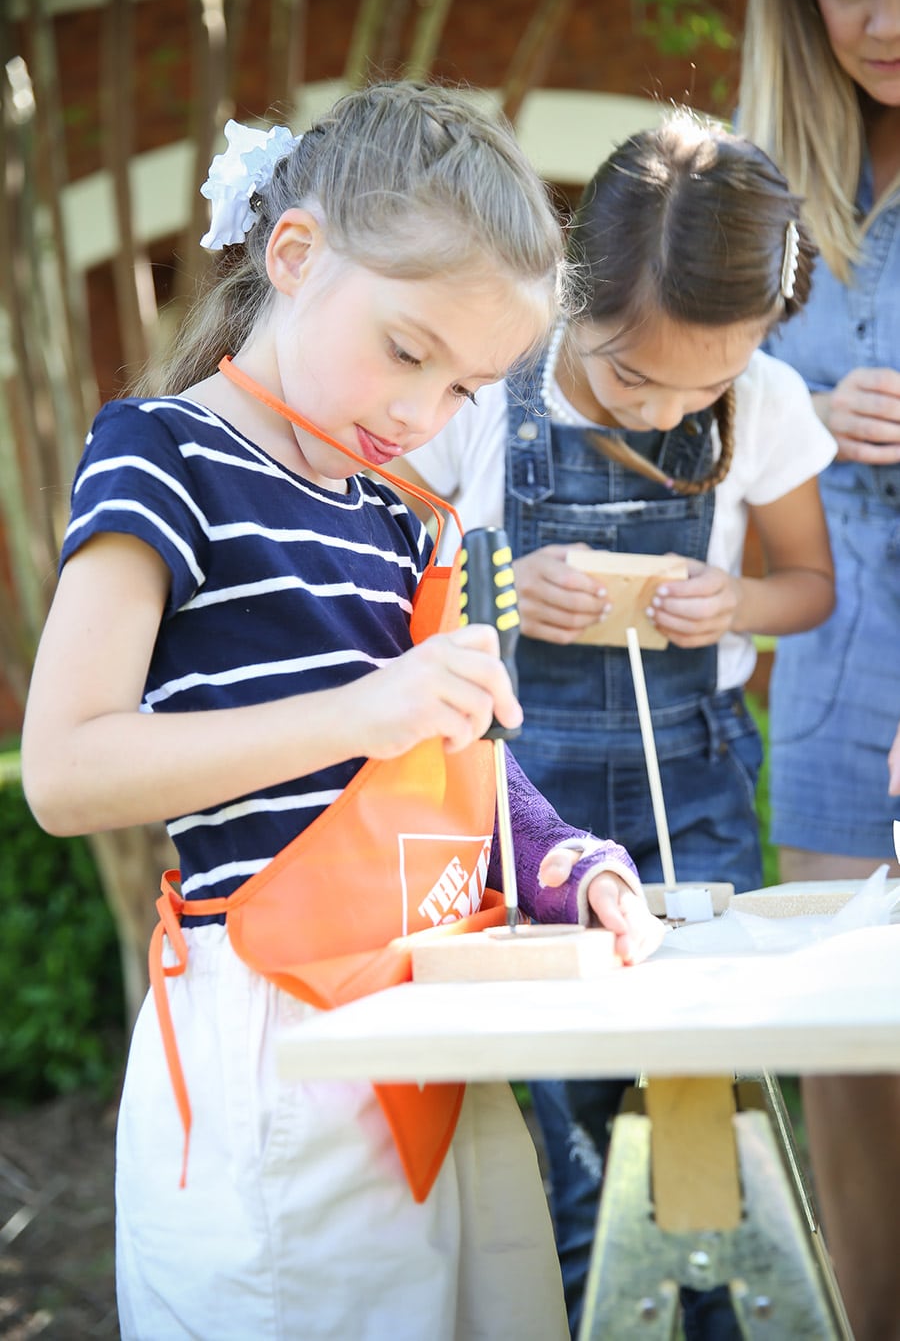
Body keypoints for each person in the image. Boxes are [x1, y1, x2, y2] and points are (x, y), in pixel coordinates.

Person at [19, 82, 667, 1341]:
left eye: (468, 389)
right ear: (297, 255)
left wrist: (557, 863)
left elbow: (452, 749)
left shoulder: (393, 513)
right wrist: (362, 710)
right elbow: (64, 770)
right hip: (275, 1048)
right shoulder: (162, 452)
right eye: (410, 352)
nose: (425, 416)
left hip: (433, 1027)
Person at [391, 108, 837, 1338]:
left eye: (706, 383)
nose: (660, 409)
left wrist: (737, 599)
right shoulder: (491, 393)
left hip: (692, 792)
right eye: (631, 373)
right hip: (526, 808)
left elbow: (810, 584)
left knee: (713, 1102)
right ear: (571, 297)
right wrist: (507, 595)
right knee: (569, 1127)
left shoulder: (773, 405)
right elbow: (407, 595)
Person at [739, 0, 900, 1338]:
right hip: (837, 681)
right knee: (850, 1064)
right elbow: (676, 415)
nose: (881, 18)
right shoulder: (762, 197)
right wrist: (804, 416)